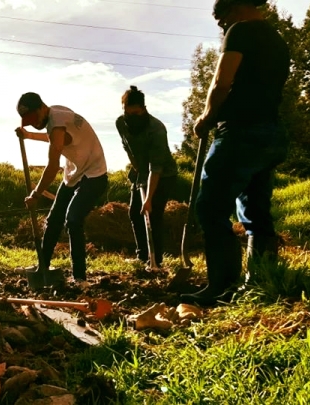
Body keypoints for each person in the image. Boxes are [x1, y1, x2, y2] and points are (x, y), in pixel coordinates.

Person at [181, 0, 290, 305]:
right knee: (256, 213)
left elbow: (221, 81)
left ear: (238, 7)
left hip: (241, 132)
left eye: (222, 18)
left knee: (211, 207)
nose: (222, 26)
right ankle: (260, 282)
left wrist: (206, 117)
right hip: (271, 133)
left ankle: (222, 288)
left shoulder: (241, 31)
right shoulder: (277, 40)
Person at [15, 92, 109, 288]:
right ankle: (43, 266)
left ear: (41, 107)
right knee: (53, 220)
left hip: (94, 175)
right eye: (28, 122)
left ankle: (80, 278)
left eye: (33, 119)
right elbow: (56, 138)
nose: (33, 123)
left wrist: (36, 194)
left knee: (73, 220)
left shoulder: (57, 120)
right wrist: (29, 135)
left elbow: (51, 167)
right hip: (74, 173)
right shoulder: (55, 113)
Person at [115, 86, 178, 269]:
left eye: (136, 113)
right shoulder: (120, 123)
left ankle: (156, 260)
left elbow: (156, 167)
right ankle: (142, 256)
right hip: (142, 171)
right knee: (135, 213)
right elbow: (128, 149)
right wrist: (137, 171)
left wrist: (149, 198)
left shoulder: (156, 129)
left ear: (143, 109)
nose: (131, 117)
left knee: (153, 214)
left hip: (164, 174)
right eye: (128, 112)